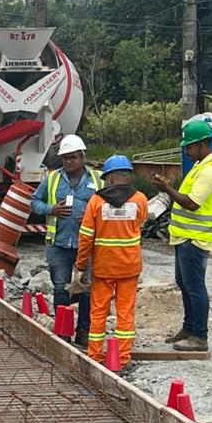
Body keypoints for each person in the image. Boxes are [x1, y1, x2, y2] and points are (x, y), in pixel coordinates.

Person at [153, 119, 212, 353]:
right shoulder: (200, 165)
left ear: (202, 144)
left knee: (195, 287)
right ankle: (189, 328)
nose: (186, 151)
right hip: (185, 237)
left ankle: (199, 337)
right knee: (184, 283)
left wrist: (167, 189)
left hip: (196, 238)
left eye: (189, 147)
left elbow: (192, 203)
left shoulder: (210, 170)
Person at [75, 155, 149, 366]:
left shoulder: (96, 202)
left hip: (103, 268)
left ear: (108, 178)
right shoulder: (140, 199)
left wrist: (81, 264)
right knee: (125, 313)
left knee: (98, 312)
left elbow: (86, 236)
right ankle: (123, 358)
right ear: (128, 176)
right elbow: (140, 224)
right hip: (129, 266)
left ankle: (95, 355)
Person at [30, 134, 103, 346]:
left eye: (73, 157)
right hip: (59, 245)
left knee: (87, 289)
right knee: (60, 289)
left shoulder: (97, 179)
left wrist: (93, 217)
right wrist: (50, 209)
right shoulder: (52, 179)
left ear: (82, 157)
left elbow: (108, 207)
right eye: (65, 158)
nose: (69, 162)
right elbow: (34, 202)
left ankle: (84, 332)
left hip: (87, 245)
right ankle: (63, 332)